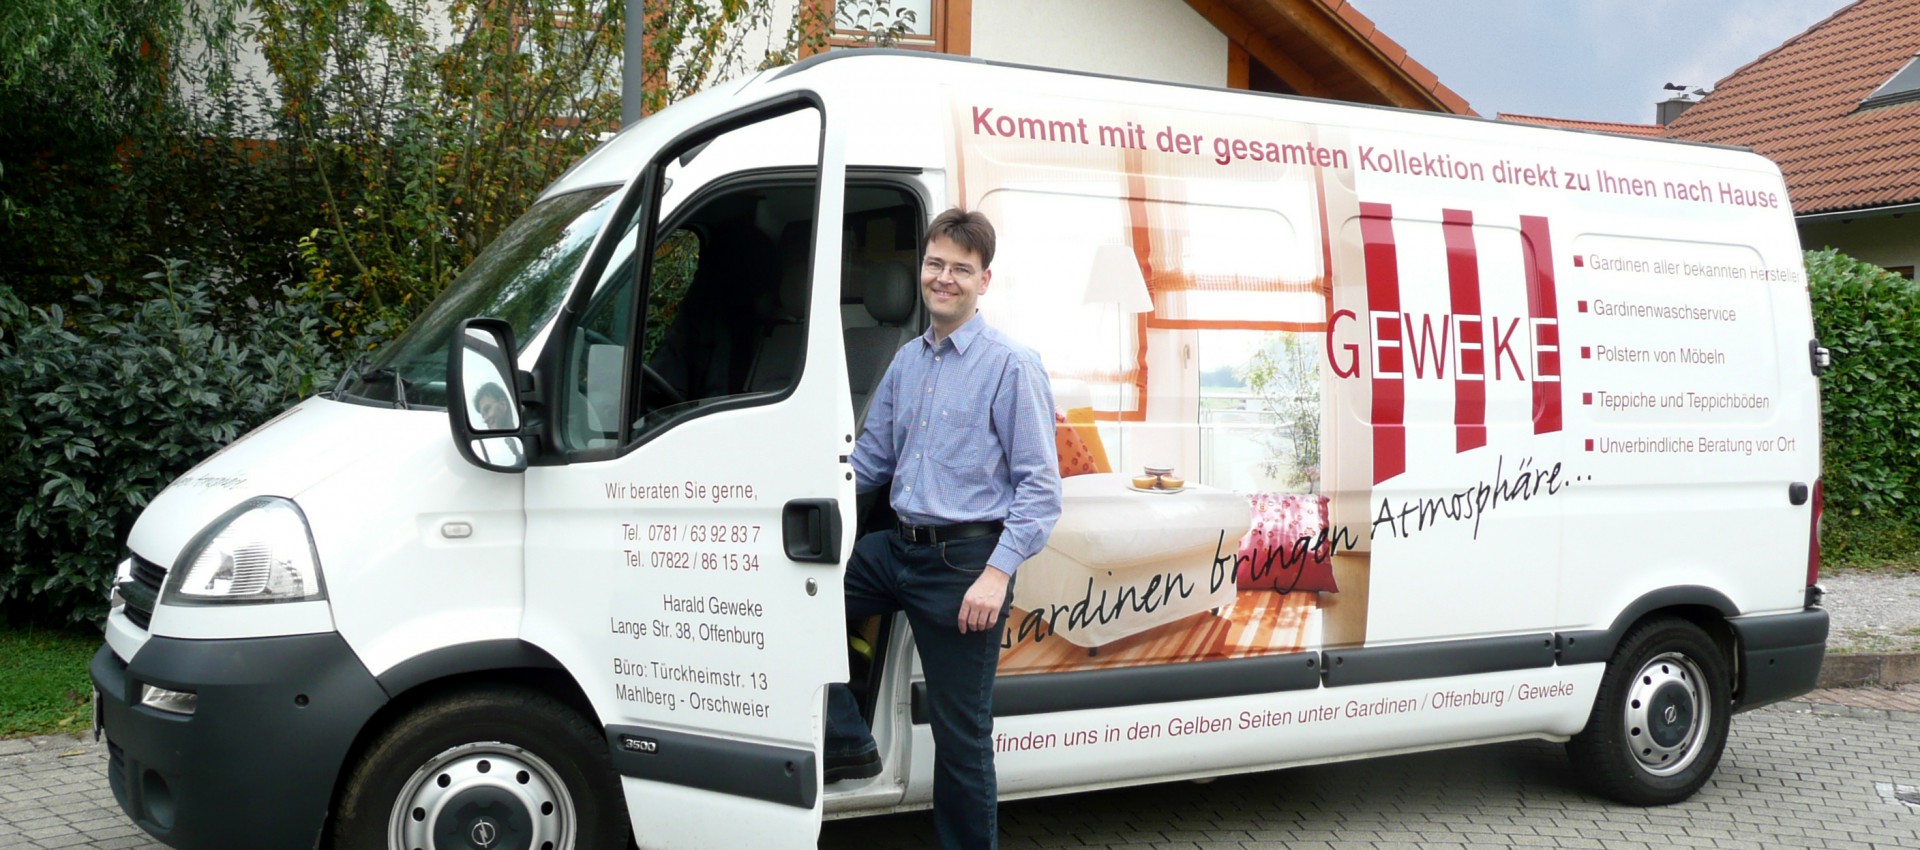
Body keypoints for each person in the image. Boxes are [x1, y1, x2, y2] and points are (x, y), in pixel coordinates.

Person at [825, 207, 1062, 850]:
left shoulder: (1011, 365)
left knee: (962, 739)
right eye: (936, 265)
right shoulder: (907, 362)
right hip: (896, 549)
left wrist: (995, 576)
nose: (945, 278)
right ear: (921, 270)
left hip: (964, 569)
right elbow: (869, 462)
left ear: (985, 280)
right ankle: (846, 738)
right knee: (795, 595)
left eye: (962, 268)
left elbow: (1041, 492)